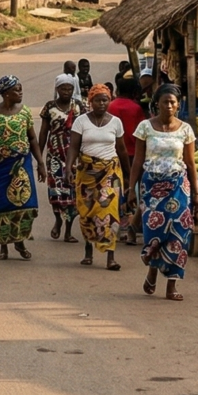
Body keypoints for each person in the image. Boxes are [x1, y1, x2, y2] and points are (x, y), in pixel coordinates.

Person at [130, 86, 198, 300]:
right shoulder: (145, 127)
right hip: (151, 187)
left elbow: (190, 163)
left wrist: (197, 193)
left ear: (178, 105)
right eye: (165, 102)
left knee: (179, 233)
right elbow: (138, 161)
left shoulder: (186, 129)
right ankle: (152, 269)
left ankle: (172, 285)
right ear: (156, 104)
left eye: (173, 102)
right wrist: (131, 189)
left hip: (178, 186)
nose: (169, 106)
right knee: (154, 232)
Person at [0, 75, 43, 260]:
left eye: (21, 89)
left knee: (27, 205)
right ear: (6, 94)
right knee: (1, 206)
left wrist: (41, 163)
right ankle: (4, 245)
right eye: (16, 90)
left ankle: (20, 241)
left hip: (21, 163)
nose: (21, 93)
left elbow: (32, 138)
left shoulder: (25, 112)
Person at [69, 84, 125, 270]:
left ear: (110, 100)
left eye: (105, 99)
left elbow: (122, 149)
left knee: (110, 211)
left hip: (111, 171)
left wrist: (130, 175)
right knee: (87, 211)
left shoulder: (116, 122)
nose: (102, 103)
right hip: (87, 172)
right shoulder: (81, 121)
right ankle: (88, 250)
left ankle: (111, 256)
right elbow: (74, 147)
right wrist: (69, 166)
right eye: (98, 100)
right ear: (90, 101)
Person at [40, 74, 86, 242]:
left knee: (72, 192)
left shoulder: (79, 107)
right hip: (54, 156)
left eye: (69, 89)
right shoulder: (49, 107)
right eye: (63, 89)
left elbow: (85, 130)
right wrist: (39, 159)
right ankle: (58, 219)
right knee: (56, 190)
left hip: (74, 156)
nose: (66, 92)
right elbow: (43, 133)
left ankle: (68, 230)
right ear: (57, 89)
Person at [107, 78, 148, 245]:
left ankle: (117, 222)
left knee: (117, 187)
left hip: (113, 153)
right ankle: (132, 222)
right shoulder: (136, 108)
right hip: (133, 154)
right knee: (135, 188)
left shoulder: (111, 106)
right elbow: (141, 133)